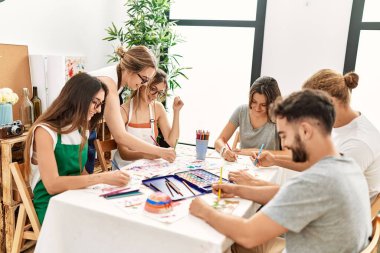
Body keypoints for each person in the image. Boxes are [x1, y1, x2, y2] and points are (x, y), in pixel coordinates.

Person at [190, 89, 371, 253]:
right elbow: (288, 193)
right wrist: (238, 189)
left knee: (221, 241)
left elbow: (248, 233)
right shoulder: (346, 164)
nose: (284, 144)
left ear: (306, 131)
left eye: (284, 135)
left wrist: (203, 210)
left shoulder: (317, 181)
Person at [241, 69, 380, 202]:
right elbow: (316, 163)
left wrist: (255, 184)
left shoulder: (357, 143)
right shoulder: (337, 124)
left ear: (330, 102)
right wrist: (275, 160)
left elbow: (319, 193)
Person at [23, 73, 131, 223]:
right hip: (51, 204)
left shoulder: (82, 129)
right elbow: (52, 185)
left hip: (75, 196)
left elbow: (81, 173)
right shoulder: (44, 132)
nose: (99, 110)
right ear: (78, 98)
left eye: (101, 104)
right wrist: (101, 177)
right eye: (95, 102)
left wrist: (105, 186)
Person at [88, 46, 176, 165]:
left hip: (85, 130)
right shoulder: (110, 83)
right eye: (144, 79)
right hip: (70, 129)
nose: (143, 84)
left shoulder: (118, 79)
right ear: (131, 69)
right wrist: (159, 151)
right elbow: (120, 136)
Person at [113, 69, 184, 168]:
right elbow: (124, 154)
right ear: (142, 84)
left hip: (147, 165)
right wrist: (151, 154)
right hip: (125, 168)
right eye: (153, 89)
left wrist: (176, 111)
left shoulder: (157, 108)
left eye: (159, 92)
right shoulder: (124, 111)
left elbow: (172, 142)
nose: (155, 96)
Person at [214, 76, 286, 162]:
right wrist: (224, 151)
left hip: (269, 169)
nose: (257, 108)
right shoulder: (241, 111)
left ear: (273, 103)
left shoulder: (280, 118)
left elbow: (287, 154)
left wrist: (252, 151)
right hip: (244, 167)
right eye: (254, 102)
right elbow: (219, 141)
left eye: (263, 105)